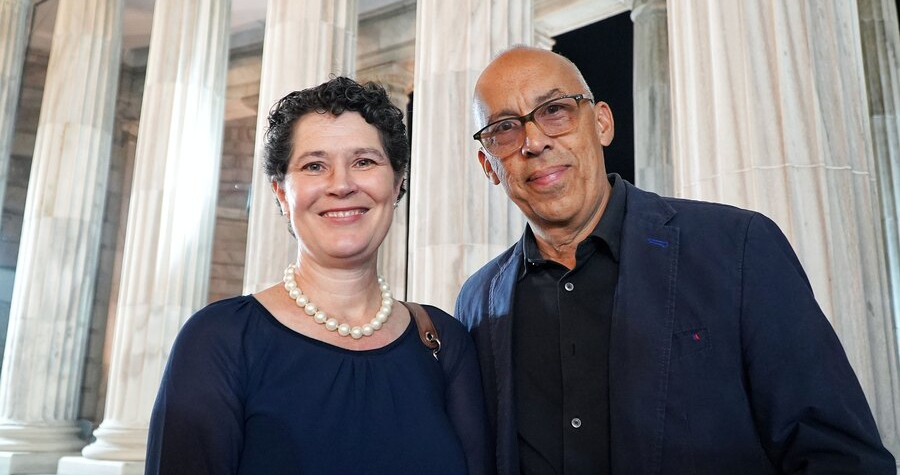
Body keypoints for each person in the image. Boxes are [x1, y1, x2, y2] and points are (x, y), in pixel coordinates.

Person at [455, 46, 896, 475]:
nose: (534, 142)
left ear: (602, 123)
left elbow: (840, 457)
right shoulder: (477, 303)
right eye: (505, 129)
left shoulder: (738, 247)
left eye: (555, 110)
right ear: (488, 165)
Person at [146, 77, 492, 475]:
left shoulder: (444, 341)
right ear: (281, 192)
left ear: (398, 182)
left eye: (364, 162)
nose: (341, 185)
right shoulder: (218, 340)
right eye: (314, 166)